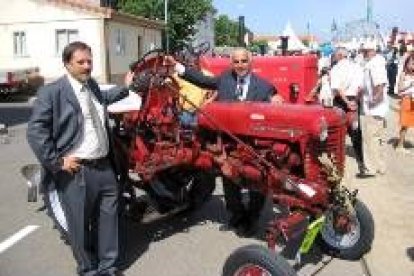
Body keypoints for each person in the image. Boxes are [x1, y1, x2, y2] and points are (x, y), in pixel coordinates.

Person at [27, 41, 133, 276]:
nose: (87, 66)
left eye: (89, 61)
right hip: (77, 171)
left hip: (105, 166)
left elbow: (104, 98)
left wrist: (126, 87)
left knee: (108, 221)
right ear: (67, 64)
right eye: (81, 62)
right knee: (79, 225)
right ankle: (88, 270)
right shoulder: (52, 92)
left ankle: (108, 267)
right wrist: (57, 161)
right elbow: (36, 131)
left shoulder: (91, 85)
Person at [165, 48, 283, 236]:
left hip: (253, 147)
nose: (240, 65)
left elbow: (276, 99)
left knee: (257, 187)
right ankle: (237, 217)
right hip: (228, 145)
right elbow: (202, 80)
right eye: (236, 62)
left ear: (250, 62)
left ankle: (252, 218)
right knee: (230, 183)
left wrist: (277, 101)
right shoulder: (224, 80)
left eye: (244, 61)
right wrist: (178, 67)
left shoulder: (263, 86)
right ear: (231, 63)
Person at [330, 47, 373, 177]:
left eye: (335, 56)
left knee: (337, 132)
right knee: (356, 133)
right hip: (354, 101)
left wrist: (347, 103)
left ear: (339, 55)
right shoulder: (357, 67)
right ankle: (361, 165)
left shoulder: (336, 68)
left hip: (341, 102)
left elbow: (338, 89)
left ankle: (336, 167)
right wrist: (354, 101)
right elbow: (360, 88)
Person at [360, 41, 389, 176]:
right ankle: (380, 166)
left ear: (371, 51)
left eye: (364, 51)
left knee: (369, 140)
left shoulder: (375, 64)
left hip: (373, 109)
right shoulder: (377, 63)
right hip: (378, 109)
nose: (363, 53)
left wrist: (373, 101)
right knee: (377, 139)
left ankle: (370, 169)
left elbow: (380, 85)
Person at [395, 52, 414, 153]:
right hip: (406, 101)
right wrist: (410, 84)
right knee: (405, 124)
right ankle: (399, 146)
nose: (412, 66)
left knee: (408, 124)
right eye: (411, 63)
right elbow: (399, 89)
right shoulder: (404, 74)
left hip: (412, 101)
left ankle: (400, 144)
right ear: (406, 64)